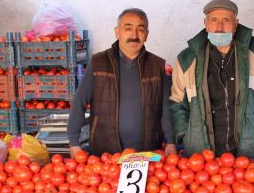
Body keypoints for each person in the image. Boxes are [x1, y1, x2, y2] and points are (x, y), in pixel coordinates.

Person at [169, 0, 254, 158]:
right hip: (202, 157)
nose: (219, 27)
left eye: (226, 20)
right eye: (214, 20)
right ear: (205, 23)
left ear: (236, 23)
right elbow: (177, 103)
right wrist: (186, 135)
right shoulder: (186, 59)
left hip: (250, 151)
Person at [68, 8, 176, 157]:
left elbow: (166, 107)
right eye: (128, 28)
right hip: (105, 154)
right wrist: (74, 142)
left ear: (147, 35)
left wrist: (171, 141)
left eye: (140, 29)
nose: (134, 35)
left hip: (147, 153)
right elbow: (79, 102)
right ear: (117, 32)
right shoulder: (98, 62)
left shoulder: (157, 65)